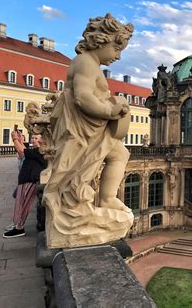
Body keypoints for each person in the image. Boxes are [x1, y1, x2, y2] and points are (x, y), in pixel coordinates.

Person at [43, 14, 135, 246]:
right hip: (84, 130)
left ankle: (106, 198)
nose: (118, 55)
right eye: (116, 47)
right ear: (100, 41)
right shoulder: (85, 62)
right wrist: (111, 111)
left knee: (120, 154)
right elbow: (83, 98)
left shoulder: (89, 63)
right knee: (82, 168)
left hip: (92, 127)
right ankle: (101, 199)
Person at [3, 131, 47, 238]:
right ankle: (17, 225)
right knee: (20, 203)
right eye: (33, 138)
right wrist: (20, 140)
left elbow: (21, 151)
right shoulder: (36, 151)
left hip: (30, 181)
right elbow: (25, 151)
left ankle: (19, 228)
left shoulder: (41, 151)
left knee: (23, 205)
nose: (34, 140)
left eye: (36, 138)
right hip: (25, 180)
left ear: (43, 140)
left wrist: (14, 139)